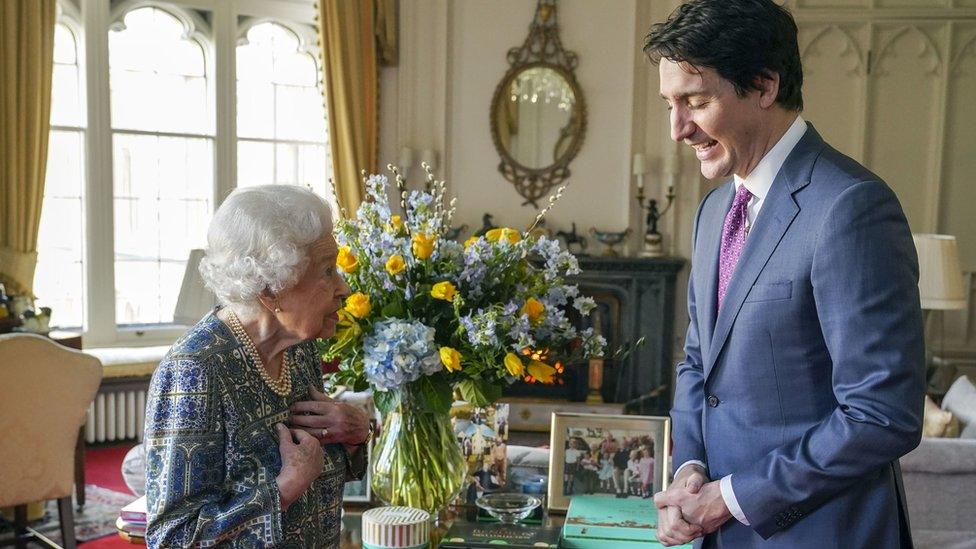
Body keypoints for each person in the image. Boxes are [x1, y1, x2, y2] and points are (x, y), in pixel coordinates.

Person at [645, 1, 925, 547]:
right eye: (668, 105)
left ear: (764, 87)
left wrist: (729, 498)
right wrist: (689, 471)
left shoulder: (851, 207)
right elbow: (699, 363)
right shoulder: (712, 212)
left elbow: (881, 414)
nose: (678, 129)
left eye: (696, 102)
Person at [144, 185, 371, 547]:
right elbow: (173, 538)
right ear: (271, 291)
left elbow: (322, 470)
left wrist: (356, 435)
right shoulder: (196, 370)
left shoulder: (299, 349)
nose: (343, 287)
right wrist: (286, 487)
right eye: (328, 271)